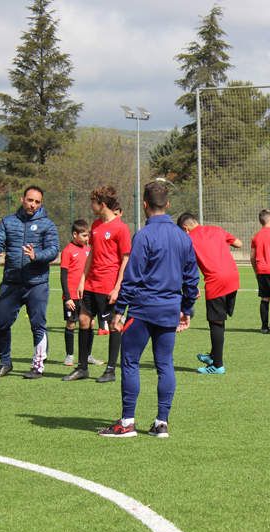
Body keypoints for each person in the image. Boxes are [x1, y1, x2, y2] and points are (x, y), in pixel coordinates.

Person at [98, 181, 199, 438]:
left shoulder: (143, 236)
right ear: (168, 204)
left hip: (142, 310)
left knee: (130, 362)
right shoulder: (181, 236)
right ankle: (161, 423)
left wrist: (119, 310)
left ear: (144, 204)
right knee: (165, 364)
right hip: (169, 309)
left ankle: (128, 422)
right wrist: (187, 308)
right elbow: (191, 277)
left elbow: (132, 278)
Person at [0, 186, 59, 379]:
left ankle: (37, 366)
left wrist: (37, 256)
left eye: (37, 202)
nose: (32, 204)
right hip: (11, 282)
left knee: (38, 325)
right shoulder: (8, 222)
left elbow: (53, 250)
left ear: (40, 204)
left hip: (37, 283)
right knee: (1, 323)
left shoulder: (47, 225)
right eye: (30, 200)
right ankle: (5, 362)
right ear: (22, 199)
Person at [69, 186, 131, 383]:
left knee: (114, 324)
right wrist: (82, 279)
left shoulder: (121, 228)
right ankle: (82, 368)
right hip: (90, 285)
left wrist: (117, 287)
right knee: (84, 321)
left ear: (102, 205)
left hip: (108, 286)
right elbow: (92, 255)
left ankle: (111, 370)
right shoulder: (95, 225)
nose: (91, 205)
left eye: (93, 202)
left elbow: (126, 259)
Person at [178, 212, 241, 374]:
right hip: (233, 277)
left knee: (216, 322)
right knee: (219, 319)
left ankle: (217, 365)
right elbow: (239, 243)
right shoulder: (217, 229)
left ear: (185, 228)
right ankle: (213, 355)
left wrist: (192, 286)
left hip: (216, 281)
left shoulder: (188, 239)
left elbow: (186, 266)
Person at [59, 220, 90, 368]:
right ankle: (69, 355)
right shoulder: (68, 251)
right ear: (75, 234)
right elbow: (63, 276)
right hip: (72, 297)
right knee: (71, 324)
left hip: (86, 296)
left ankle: (87, 355)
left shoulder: (88, 250)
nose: (87, 238)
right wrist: (67, 297)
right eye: (84, 235)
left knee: (89, 323)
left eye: (88, 235)